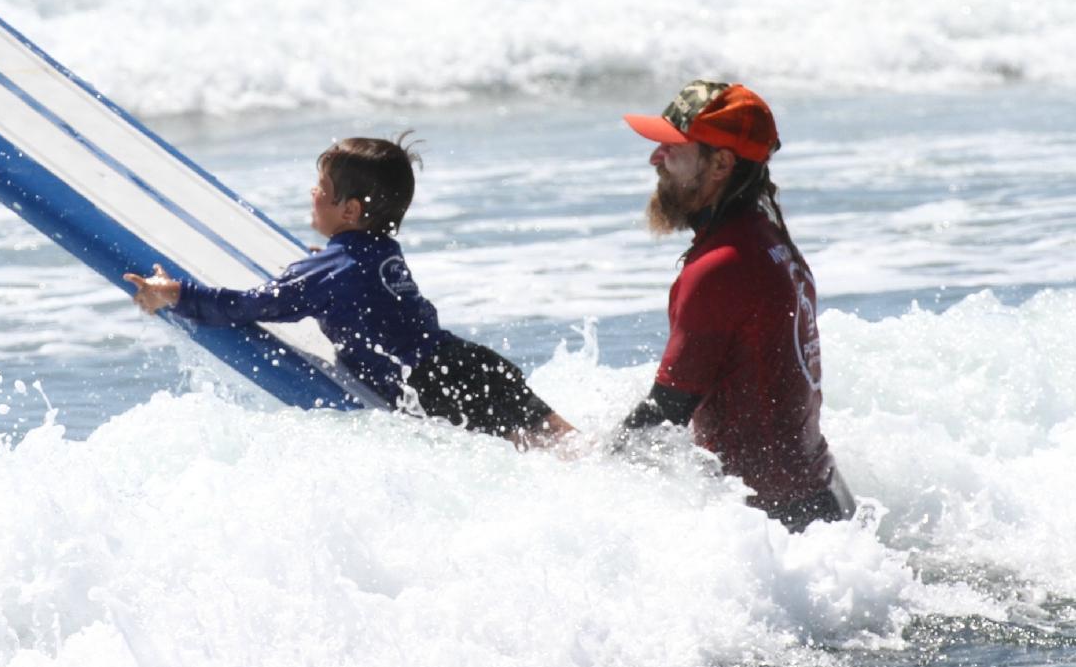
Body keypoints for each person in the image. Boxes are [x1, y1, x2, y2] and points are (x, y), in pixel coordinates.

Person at [125, 135, 574, 448]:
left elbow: (251, 306)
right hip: (468, 363)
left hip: (435, 386)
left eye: (322, 188)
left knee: (540, 456)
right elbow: (360, 283)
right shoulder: (379, 251)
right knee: (569, 449)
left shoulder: (336, 268)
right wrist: (330, 262)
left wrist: (176, 294)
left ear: (351, 209)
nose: (312, 192)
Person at [617, 81, 854, 530]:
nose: (655, 159)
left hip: (781, 526)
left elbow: (666, 412)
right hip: (820, 499)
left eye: (671, 148)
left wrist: (588, 477)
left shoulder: (721, 267)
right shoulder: (769, 240)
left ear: (721, 163)